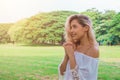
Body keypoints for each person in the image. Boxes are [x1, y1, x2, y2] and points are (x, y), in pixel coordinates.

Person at [58, 14, 99, 80]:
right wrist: (66, 55)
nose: (71, 30)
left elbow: (78, 78)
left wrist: (71, 55)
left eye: (74, 27)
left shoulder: (93, 50)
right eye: (71, 27)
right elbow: (62, 72)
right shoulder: (73, 46)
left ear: (86, 28)